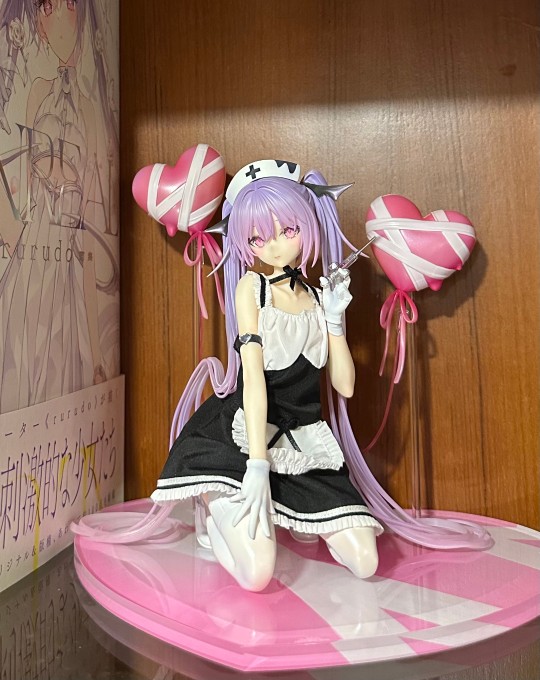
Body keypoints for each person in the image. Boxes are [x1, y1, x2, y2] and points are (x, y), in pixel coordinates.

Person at [73, 157, 492, 591]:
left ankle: (271, 515)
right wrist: (257, 465)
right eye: (258, 237)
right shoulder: (251, 289)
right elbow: (253, 380)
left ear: (307, 224)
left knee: (366, 561)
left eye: (287, 230)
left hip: (303, 442)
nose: (274, 247)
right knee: (257, 574)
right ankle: (214, 516)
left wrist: (334, 322)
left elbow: (345, 386)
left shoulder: (318, 296)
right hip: (243, 438)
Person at [0, 0, 119, 412]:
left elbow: (88, 225)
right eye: (46, 8)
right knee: (22, 364)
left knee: (61, 366)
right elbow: (21, 188)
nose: (56, 18)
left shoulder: (89, 109)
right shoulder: (36, 93)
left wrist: (99, 357)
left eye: (68, 6)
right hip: (31, 258)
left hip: (67, 262)